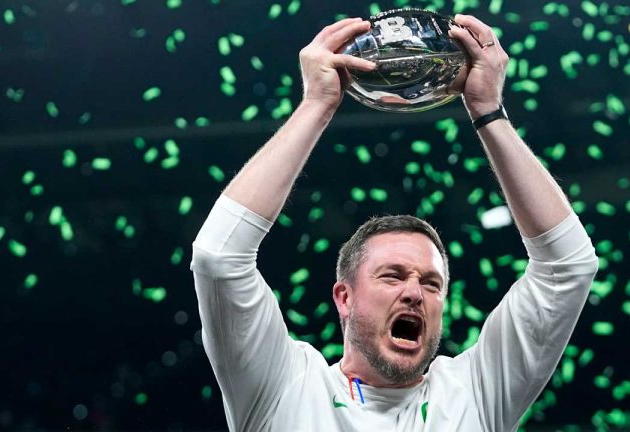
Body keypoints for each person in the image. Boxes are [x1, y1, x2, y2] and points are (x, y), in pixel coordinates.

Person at [191, 14, 598, 431]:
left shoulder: (474, 391)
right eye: (392, 276)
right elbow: (219, 257)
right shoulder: (284, 387)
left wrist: (488, 111)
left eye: (431, 283)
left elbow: (567, 267)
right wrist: (316, 105)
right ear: (344, 298)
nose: (414, 294)